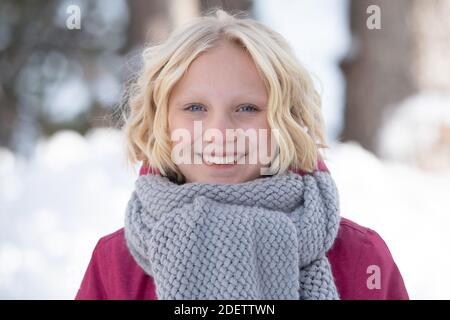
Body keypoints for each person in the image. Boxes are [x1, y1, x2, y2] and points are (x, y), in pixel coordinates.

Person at [75, 8, 408, 300]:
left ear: (285, 121)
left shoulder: (361, 258)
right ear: (162, 122)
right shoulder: (115, 264)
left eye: (247, 108)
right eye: (195, 108)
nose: (219, 133)